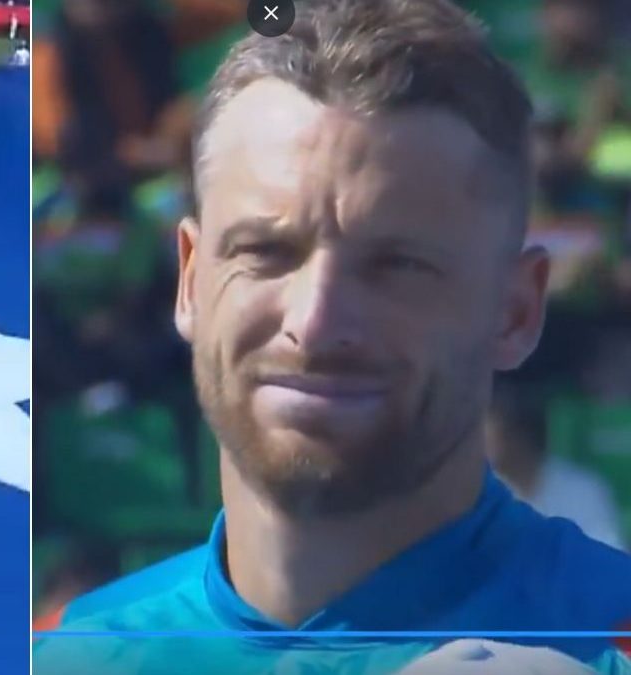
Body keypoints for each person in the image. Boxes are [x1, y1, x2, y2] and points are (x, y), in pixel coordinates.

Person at [33, 1, 631, 674]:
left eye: (397, 263)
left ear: (516, 311)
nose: (315, 321)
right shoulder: (60, 654)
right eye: (265, 250)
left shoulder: (608, 641)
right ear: (190, 282)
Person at [486, 382, 625, 550]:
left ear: (519, 432)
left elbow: (607, 557)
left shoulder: (581, 488)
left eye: (488, 424)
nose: (479, 439)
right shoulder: (476, 493)